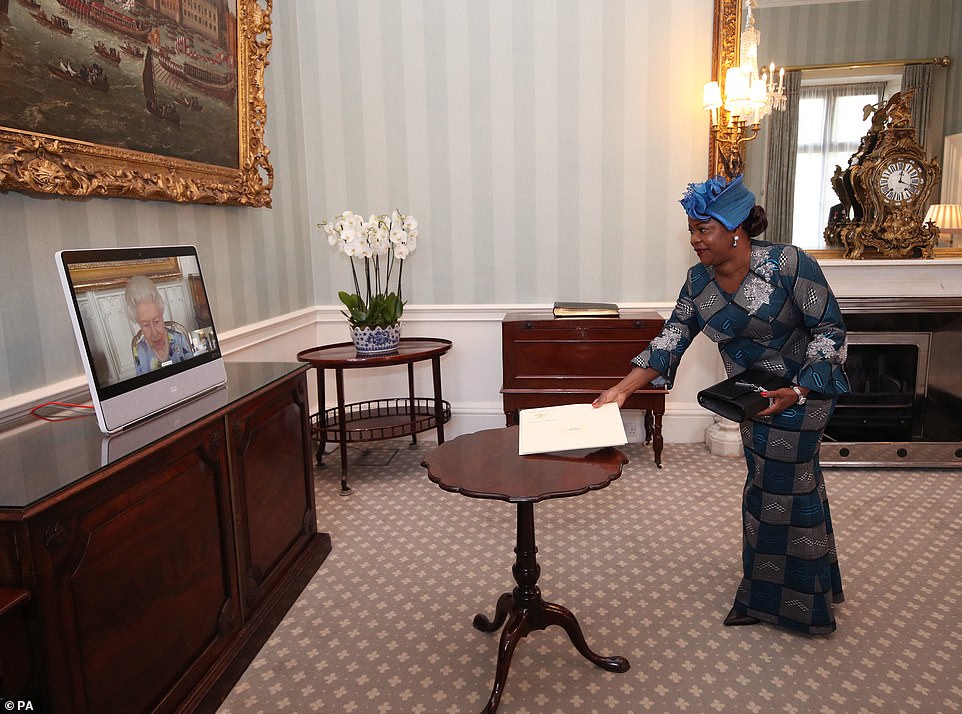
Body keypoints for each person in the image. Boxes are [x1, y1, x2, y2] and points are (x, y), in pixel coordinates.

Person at [593, 174, 850, 635]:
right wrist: (623, 389)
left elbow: (830, 329)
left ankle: (783, 604)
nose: (695, 239)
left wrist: (799, 390)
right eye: (691, 230)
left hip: (803, 392)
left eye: (703, 229)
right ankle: (812, 587)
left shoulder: (789, 264)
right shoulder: (698, 283)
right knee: (780, 486)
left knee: (778, 491)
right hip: (749, 398)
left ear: (735, 228)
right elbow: (670, 339)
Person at [124, 275, 194, 375]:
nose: (154, 333)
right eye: (146, 325)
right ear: (138, 323)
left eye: (156, 321)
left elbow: (194, 374)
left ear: (162, 314)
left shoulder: (179, 339)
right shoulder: (139, 351)